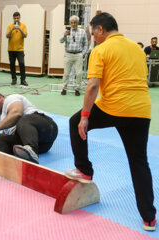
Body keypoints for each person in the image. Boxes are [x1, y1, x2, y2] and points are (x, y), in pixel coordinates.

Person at [64, 12, 156, 231]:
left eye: (93, 33)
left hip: (114, 107)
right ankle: (149, 218)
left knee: (75, 121)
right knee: (139, 162)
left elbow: (93, 86)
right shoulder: (136, 48)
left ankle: (84, 169)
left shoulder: (101, 49)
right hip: (141, 110)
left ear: (100, 30)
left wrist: (85, 117)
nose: (93, 37)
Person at [0, 92, 58, 163]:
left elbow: (17, 113)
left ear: (0, 98)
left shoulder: (11, 98)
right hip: (41, 146)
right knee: (2, 141)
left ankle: (32, 150)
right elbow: (6, 134)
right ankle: (2, 162)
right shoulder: (0, 118)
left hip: (47, 129)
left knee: (23, 120)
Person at [60, 15, 88, 96]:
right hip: (68, 54)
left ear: (78, 23)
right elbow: (60, 41)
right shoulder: (66, 31)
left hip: (78, 54)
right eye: (71, 23)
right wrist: (64, 36)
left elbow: (86, 44)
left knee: (79, 73)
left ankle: (77, 89)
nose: (73, 24)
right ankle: (64, 88)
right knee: (66, 73)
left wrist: (82, 54)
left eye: (75, 22)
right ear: (70, 23)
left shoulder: (82, 32)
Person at [6, 12, 28, 86]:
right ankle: (14, 79)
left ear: (19, 18)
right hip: (11, 49)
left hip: (20, 49)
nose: (16, 19)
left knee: (21, 64)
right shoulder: (10, 26)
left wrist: (20, 29)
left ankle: (23, 80)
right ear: (13, 18)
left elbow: (25, 35)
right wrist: (12, 29)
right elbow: (7, 36)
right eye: (15, 18)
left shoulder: (23, 25)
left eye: (17, 18)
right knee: (12, 65)